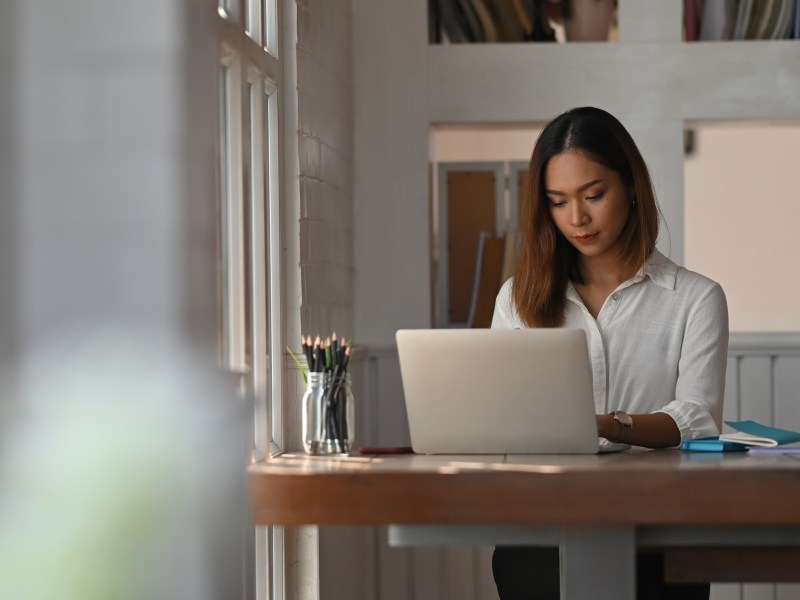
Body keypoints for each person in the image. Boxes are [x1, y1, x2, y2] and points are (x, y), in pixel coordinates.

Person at [490, 106, 729, 600]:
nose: (576, 218)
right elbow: (501, 415)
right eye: (557, 202)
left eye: (593, 195)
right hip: (540, 528)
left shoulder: (695, 298)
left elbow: (698, 416)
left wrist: (604, 424)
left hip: (660, 528)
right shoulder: (517, 298)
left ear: (632, 187)